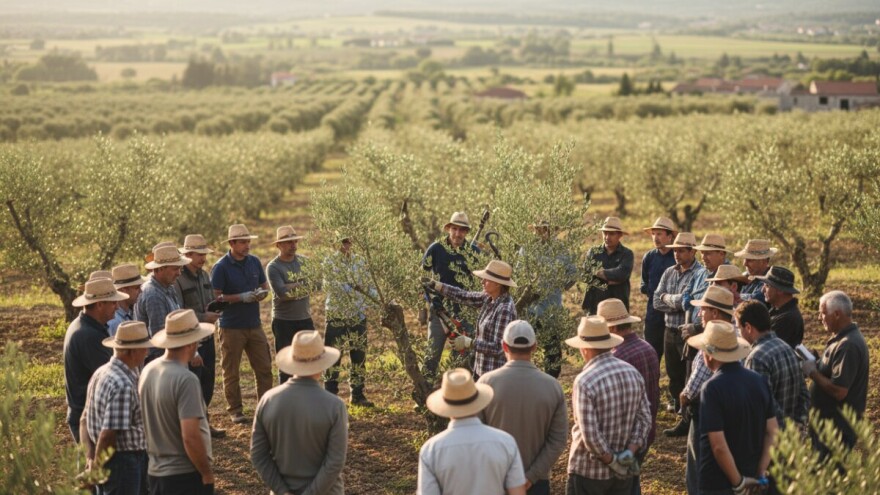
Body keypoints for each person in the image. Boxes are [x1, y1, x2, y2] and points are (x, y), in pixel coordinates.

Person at [686, 320, 778, 495]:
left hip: (719, 483)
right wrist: (759, 473)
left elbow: (719, 445)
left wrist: (738, 483)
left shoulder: (712, 388)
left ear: (709, 354)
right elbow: (773, 432)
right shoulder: (759, 381)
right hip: (752, 475)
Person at [251, 330, 348, 495]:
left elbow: (258, 455)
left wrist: (282, 491)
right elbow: (335, 462)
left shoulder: (268, 400)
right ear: (323, 364)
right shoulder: (334, 406)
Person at [478, 320, 568, 495]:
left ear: (504, 346)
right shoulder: (553, 386)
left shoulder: (485, 383)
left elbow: (476, 435)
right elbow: (558, 440)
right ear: (534, 346)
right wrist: (530, 478)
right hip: (537, 483)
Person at [565, 316, 652, 495]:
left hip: (589, 472)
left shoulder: (585, 381)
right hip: (624, 472)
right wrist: (627, 454)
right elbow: (645, 419)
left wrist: (612, 460)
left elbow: (590, 435)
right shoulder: (632, 372)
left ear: (584, 349)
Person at [139, 309, 215, 495]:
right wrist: (206, 473)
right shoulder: (186, 379)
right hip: (184, 476)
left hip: (155, 472)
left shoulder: (148, 370)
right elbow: (190, 436)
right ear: (190, 344)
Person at [418, 368, 527, 495]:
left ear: (445, 405)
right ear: (478, 402)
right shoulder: (505, 442)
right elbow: (518, 492)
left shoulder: (431, 450)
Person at [80, 321, 152, 495]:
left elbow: (84, 420)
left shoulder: (100, 372)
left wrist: (90, 459)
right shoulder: (123, 385)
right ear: (133, 351)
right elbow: (108, 436)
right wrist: (95, 471)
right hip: (123, 462)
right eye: (144, 348)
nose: (147, 352)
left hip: (109, 459)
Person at [597, 299, 660, 495]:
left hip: (623, 440)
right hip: (645, 433)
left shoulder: (617, 358)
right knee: (633, 480)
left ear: (612, 328)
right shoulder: (648, 348)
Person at [211, 224, 272, 425]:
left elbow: (264, 287)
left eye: (248, 241)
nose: (247, 245)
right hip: (231, 326)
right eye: (243, 242)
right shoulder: (221, 267)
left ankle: (265, 408)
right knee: (231, 371)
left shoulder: (254, 262)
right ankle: (236, 411)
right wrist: (240, 297)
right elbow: (216, 298)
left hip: (254, 324)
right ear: (232, 243)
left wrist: (261, 294)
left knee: (264, 367)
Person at [678, 285, 736, 492]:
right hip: (731, 410)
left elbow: (695, 385)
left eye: (703, 309)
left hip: (704, 411)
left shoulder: (712, 339)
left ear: (715, 312)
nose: (699, 313)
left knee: (697, 466)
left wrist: (684, 398)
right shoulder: (734, 332)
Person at [423, 259, 517, 379]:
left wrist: (470, 343)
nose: (482, 281)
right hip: (481, 370)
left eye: (486, 279)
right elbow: (464, 296)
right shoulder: (489, 298)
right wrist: (438, 286)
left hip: (494, 376)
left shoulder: (504, 310)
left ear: (498, 283)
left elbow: (499, 348)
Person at [801, 290, 868, 455]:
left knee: (829, 473)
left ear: (837, 314)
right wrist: (818, 362)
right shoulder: (841, 339)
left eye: (823, 313)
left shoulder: (848, 345)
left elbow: (839, 391)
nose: (819, 318)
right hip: (828, 426)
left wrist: (812, 372)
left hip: (836, 429)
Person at [64, 277, 129, 442]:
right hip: (88, 418)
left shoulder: (85, 327)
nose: (116, 307)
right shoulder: (88, 335)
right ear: (99, 304)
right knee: (95, 464)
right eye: (112, 303)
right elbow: (110, 377)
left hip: (85, 414)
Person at [174, 234, 224, 439]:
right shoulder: (178, 279)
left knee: (208, 380)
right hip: (189, 340)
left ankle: (204, 422)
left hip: (207, 335)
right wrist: (204, 316)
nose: (203, 258)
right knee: (192, 383)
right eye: (198, 254)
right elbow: (177, 312)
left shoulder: (204, 276)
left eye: (204, 254)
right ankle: (193, 427)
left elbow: (209, 298)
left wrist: (215, 307)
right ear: (188, 255)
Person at [421, 212, 481, 380]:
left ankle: (459, 395)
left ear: (467, 232)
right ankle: (424, 394)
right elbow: (422, 277)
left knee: (462, 357)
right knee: (432, 355)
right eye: (454, 229)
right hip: (438, 311)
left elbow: (481, 283)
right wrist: (429, 302)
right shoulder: (436, 249)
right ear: (448, 229)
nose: (457, 234)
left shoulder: (473, 252)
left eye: (462, 230)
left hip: (465, 313)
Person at [323, 234, 377, 406]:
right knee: (333, 357)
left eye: (347, 241)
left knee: (358, 356)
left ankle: (358, 395)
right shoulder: (329, 262)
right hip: (336, 314)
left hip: (357, 314)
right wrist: (356, 289)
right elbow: (331, 287)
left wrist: (382, 301)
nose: (345, 244)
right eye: (341, 241)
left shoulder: (360, 262)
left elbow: (369, 287)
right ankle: (330, 396)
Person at [653, 232, 702, 419]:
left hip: (687, 332)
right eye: (675, 250)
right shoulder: (669, 272)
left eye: (681, 251)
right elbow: (656, 302)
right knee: (673, 373)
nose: (677, 254)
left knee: (689, 372)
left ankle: (688, 412)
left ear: (692, 252)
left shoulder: (698, 274)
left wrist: (669, 299)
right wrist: (677, 303)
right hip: (669, 330)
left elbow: (689, 302)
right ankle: (679, 407)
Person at [739, 300, 809, 428]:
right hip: (790, 437)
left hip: (771, 438)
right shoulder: (786, 347)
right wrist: (799, 424)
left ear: (748, 328)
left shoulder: (756, 358)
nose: (739, 334)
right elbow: (803, 392)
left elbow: (764, 403)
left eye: (740, 328)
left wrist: (786, 430)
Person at [522, 220, 578, 378]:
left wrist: (560, 285)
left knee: (552, 353)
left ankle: (550, 382)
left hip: (551, 309)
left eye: (545, 229)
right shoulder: (526, 249)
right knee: (524, 349)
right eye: (539, 229)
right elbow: (519, 274)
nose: (542, 232)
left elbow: (573, 273)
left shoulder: (561, 249)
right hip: (529, 310)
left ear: (551, 230)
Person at [266, 225, 315, 385]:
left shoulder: (305, 262)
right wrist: (302, 285)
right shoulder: (273, 267)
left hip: (304, 319)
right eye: (288, 242)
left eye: (294, 241)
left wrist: (290, 285)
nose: (293, 245)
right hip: (283, 321)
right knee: (286, 366)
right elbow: (282, 294)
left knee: (310, 362)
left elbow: (316, 285)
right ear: (278, 245)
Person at [136, 245, 189, 361]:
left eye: (180, 269)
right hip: (162, 360)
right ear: (160, 269)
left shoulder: (168, 286)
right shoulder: (154, 295)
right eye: (175, 269)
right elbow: (160, 339)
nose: (179, 273)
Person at [639, 217, 677, 360]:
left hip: (673, 315)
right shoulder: (648, 257)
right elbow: (643, 284)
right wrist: (653, 293)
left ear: (669, 236)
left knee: (673, 358)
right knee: (651, 356)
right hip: (653, 315)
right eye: (653, 234)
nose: (655, 237)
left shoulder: (677, 257)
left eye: (659, 234)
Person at [583, 217, 634, 315]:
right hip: (595, 305)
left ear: (620, 235)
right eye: (605, 233)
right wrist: (610, 279)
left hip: (618, 304)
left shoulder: (627, 254)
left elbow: (621, 274)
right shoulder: (593, 252)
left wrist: (598, 273)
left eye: (611, 234)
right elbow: (585, 274)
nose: (607, 237)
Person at [756, 266, 804, 348]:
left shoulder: (788, 319)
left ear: (780, 290)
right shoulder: (778, 310)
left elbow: (764, 347)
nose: (762, 290)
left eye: (767, 285)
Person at [108, 263, 146, 336]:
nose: (141, 291)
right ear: (124, 289)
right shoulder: (115, 322)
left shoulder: (128, 314)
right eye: (137, 288)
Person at [734, 239, 777, 304]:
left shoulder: (771, 280)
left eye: (750, 260)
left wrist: (733, 296)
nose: (745, 264)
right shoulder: (746, 276)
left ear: (763, 261)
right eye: (745, 259)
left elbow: (758, 298)